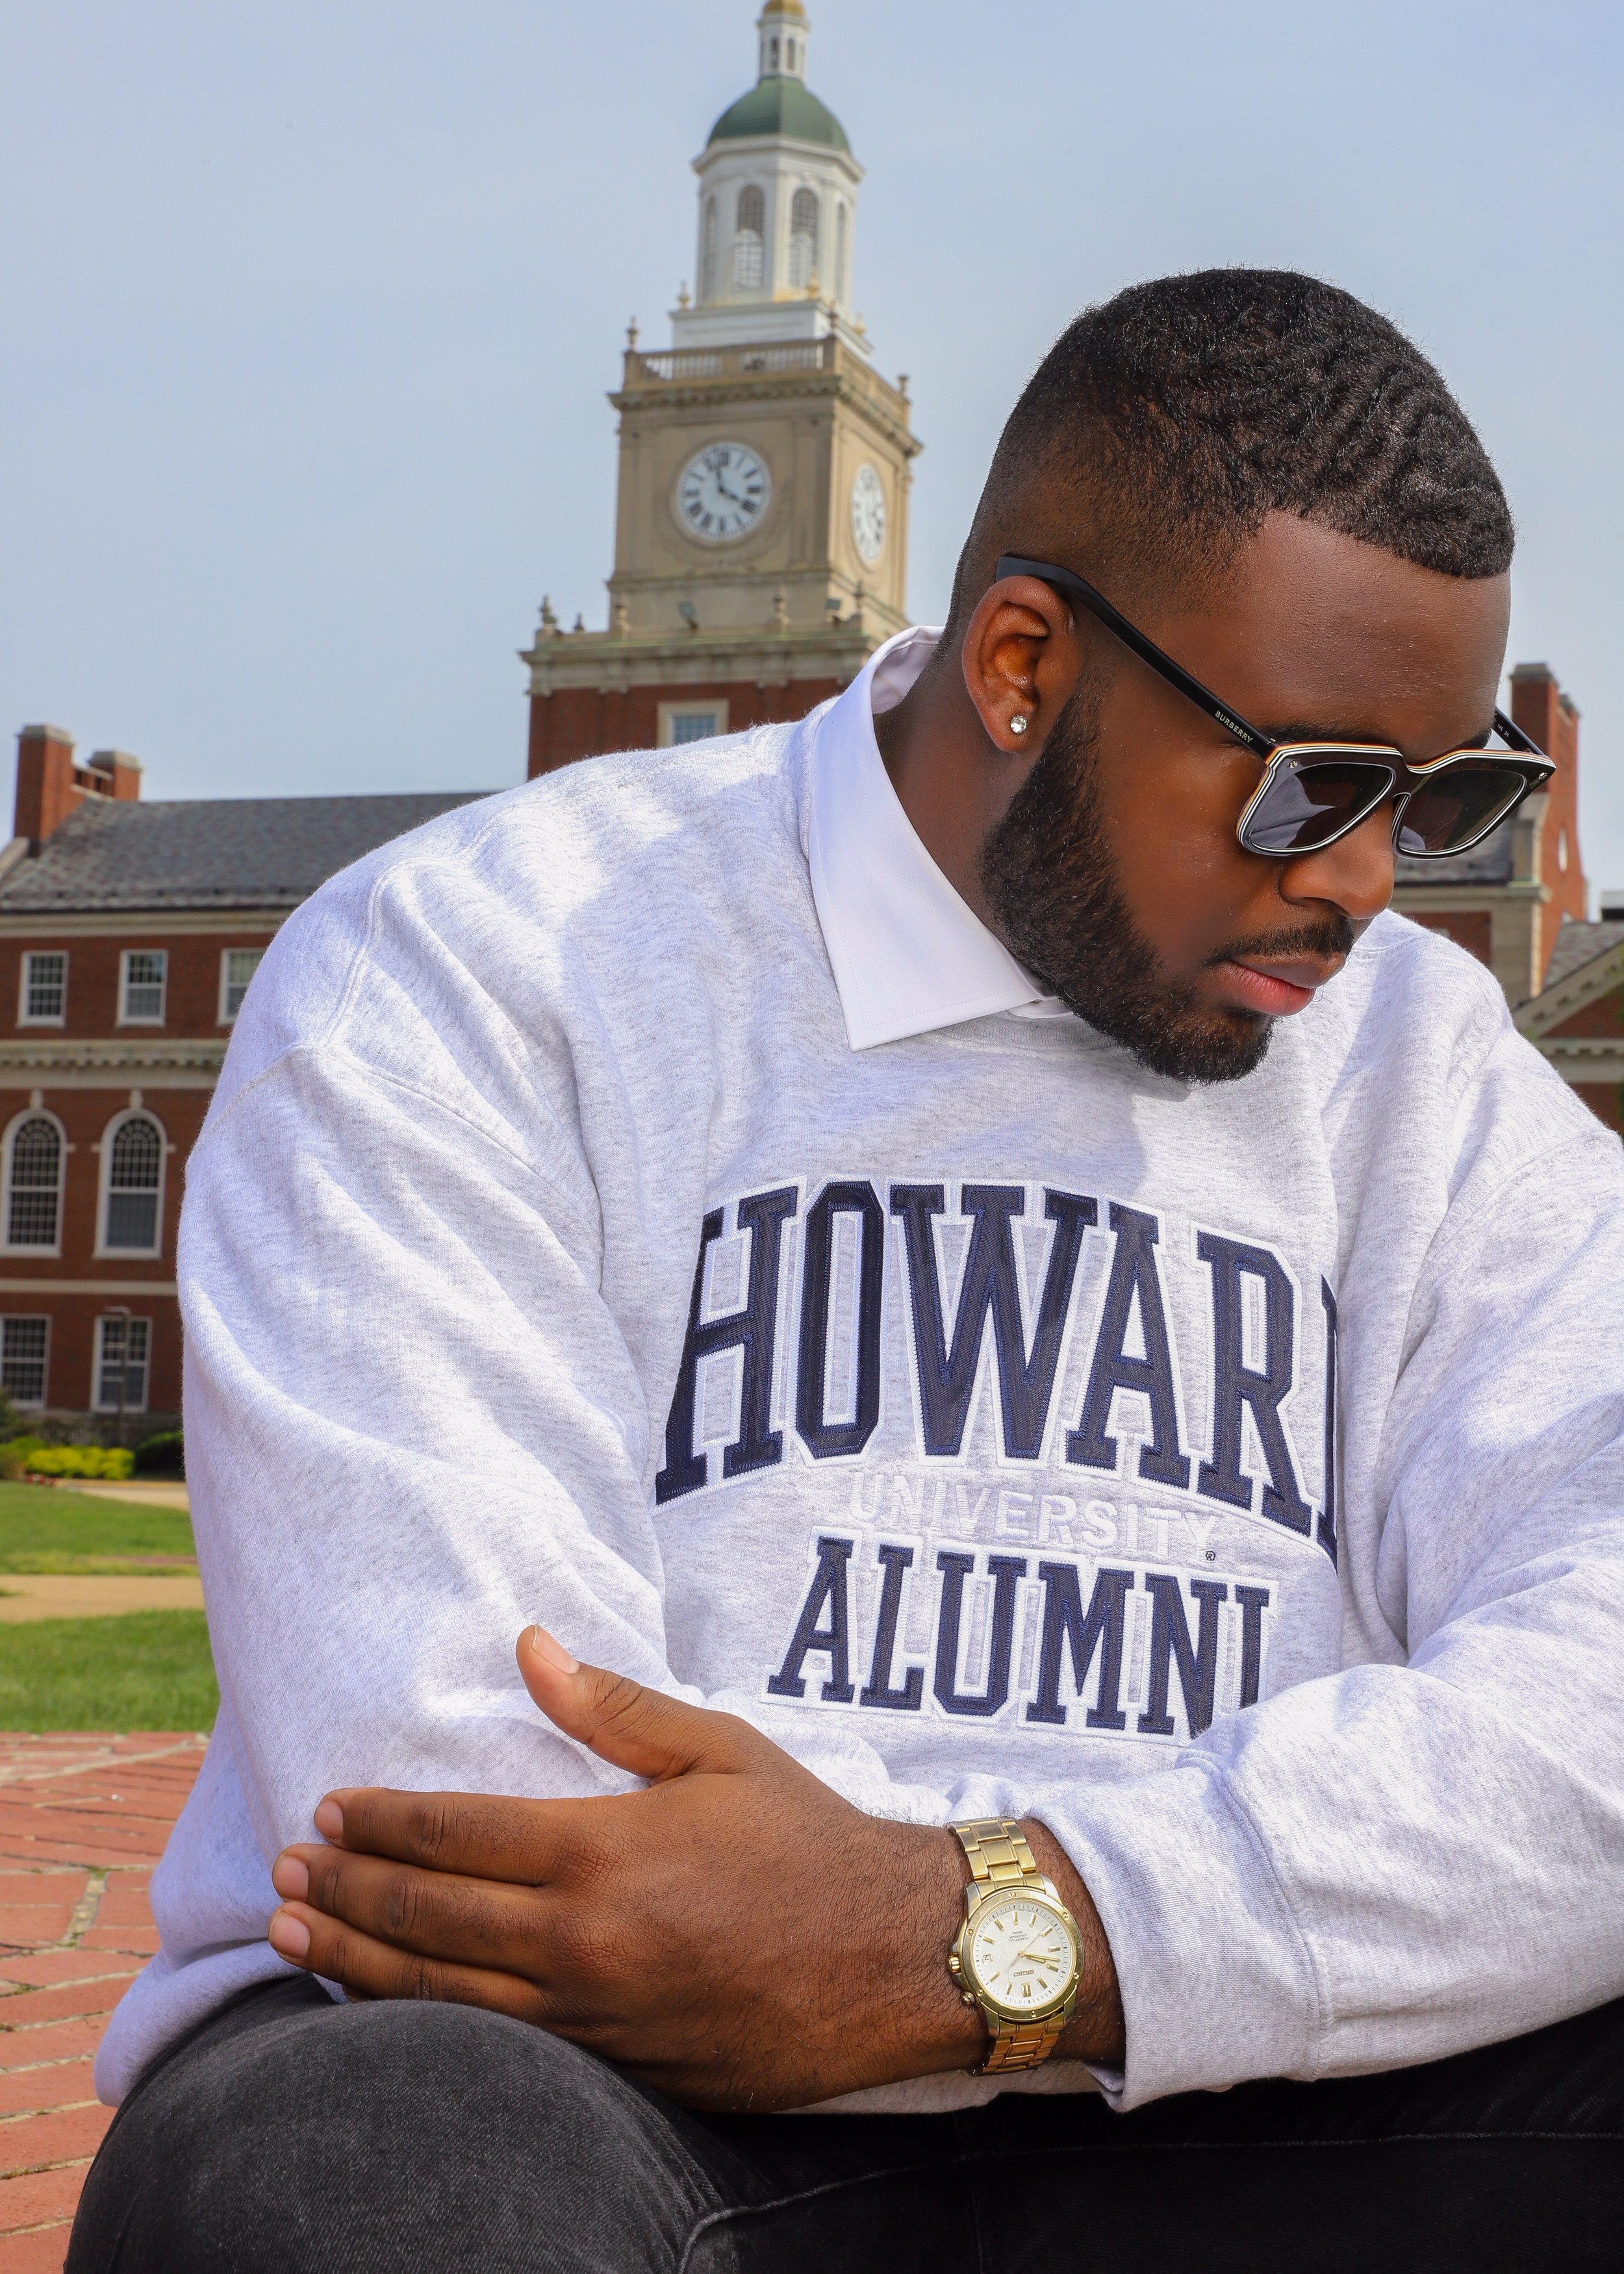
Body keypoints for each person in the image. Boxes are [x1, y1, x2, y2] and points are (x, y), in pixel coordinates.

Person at [70, 271, 1624, 2273]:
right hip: (638, 2120)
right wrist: (1242, 1898)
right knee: (351, 2167)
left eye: (1447, 796)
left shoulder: (1424, 1072)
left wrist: (984, 1927)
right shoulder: (476, 967)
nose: (1359, 882)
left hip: (1256, 2091)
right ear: (1020, 663)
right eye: (1308, 779)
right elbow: (478, 1824)